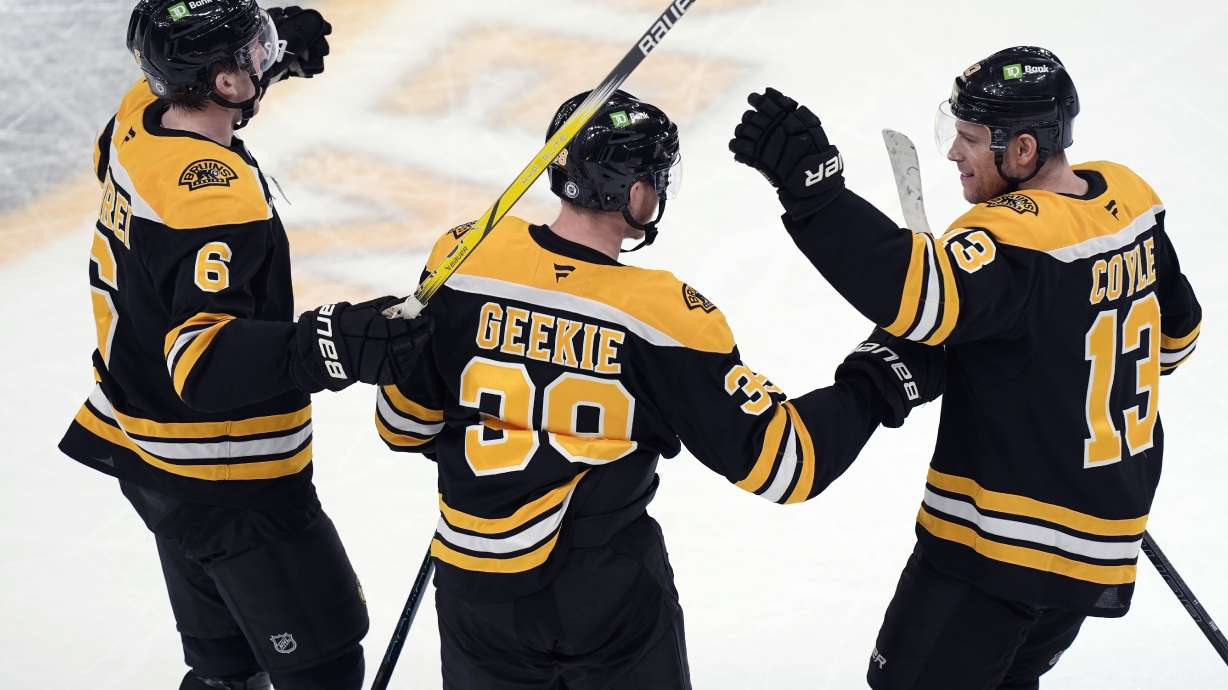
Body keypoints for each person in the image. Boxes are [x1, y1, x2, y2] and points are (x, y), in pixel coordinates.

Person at [374, 89, 944, 690]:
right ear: (632, 192)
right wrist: (883, 373)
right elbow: (786, 463)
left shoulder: (464, 256)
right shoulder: (663, 314)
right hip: (605, 599)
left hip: (475, 590)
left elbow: (402, 425)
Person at [729, 46, 1203, 689]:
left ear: (1025, 150)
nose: (954, 152)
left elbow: (918, 295)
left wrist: (816, 197)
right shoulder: (1130, 198)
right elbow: (1177, 340)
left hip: (996, 549)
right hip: (1095, 548)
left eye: (971, 138)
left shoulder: (1013, 236)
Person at [57, 2, 433, 688]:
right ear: (222, 84)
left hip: (150, 454)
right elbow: (202, 361)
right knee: (323, 669)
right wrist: (333, 343)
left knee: (225, 668)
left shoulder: (136, 115)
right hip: (231, 483)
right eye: (252, 49)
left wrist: (270, 58)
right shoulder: (213, 196)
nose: (266, 50)